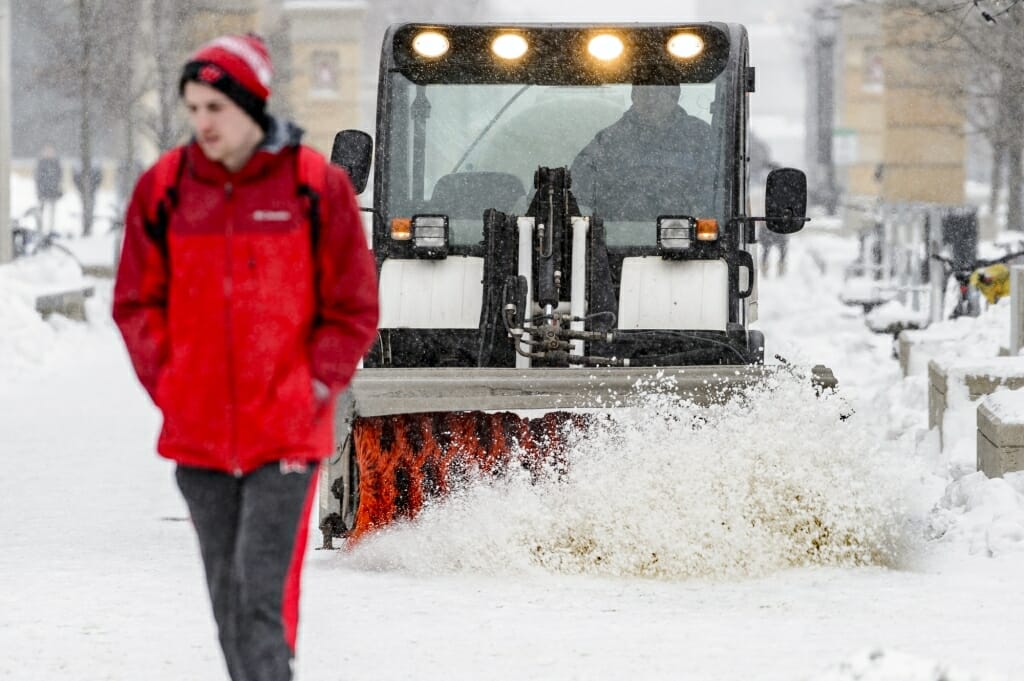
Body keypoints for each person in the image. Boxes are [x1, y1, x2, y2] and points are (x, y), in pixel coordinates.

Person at [112, 34, 379, 681]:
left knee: (259, 599)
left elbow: (353, 305)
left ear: (251, 106)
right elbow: (135, 303)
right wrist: (171, 385)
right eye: (194, 108)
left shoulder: (314, 187)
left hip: (284, 435)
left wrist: (316, 383)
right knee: (230, 607)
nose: (202, 123)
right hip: (198, 438)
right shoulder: (166, 189)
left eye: (215, 108)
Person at [570, 84, 715, 221]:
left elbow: (716, 190)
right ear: (633, 96)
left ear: (675, 96)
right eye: (644, 92)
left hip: (685, 238)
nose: (651, 99)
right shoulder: (608, 141)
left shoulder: (700, 138)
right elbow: (579, 188)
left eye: (658, 92)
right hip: (616, 238)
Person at [34, 144, 63, 233]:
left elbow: (59, 175)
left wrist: (57, 187)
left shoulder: (56, 162)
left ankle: (51, 229)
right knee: (41, 210)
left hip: (53, 190)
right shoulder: (41, 162)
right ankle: (40, 229)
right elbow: (37, 177)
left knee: (52, 211)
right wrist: (39, 189)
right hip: (43, 190)